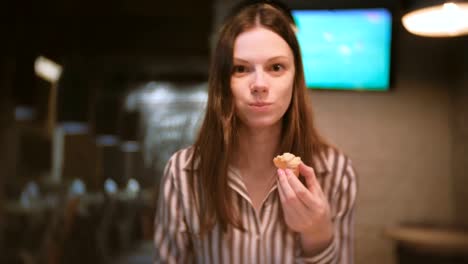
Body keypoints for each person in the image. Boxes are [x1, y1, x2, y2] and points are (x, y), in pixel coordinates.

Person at [153, 1, 357, 263]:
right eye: (240, 69)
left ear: (295, 79)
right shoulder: (184, 172)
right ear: (222, 84)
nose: (259, 84)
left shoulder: (336, 172)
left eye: (276, 67)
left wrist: (317, 234)